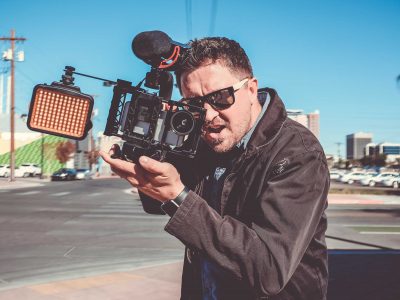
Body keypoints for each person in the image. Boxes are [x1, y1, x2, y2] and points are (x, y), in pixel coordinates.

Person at [100, 37, 329, 300]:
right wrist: (146, 165)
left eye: (221, 97)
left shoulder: (297, 153)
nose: (208, 115)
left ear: (251, 89)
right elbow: (157, 204)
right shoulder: (204, 141)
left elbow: (269, 270)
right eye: (194, 104)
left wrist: (177, 195)